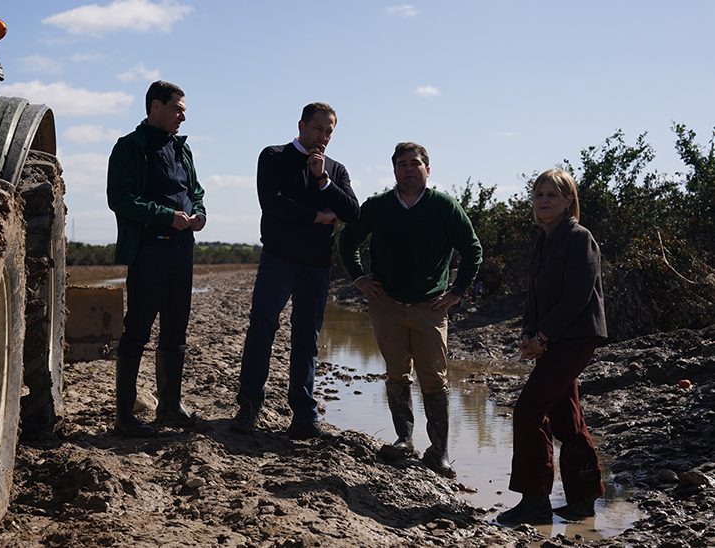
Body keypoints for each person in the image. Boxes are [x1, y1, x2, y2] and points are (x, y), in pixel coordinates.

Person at [338, 142, 482, 478]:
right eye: (401, 164)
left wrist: (457, 292)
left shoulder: (444, 206)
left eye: (415, 163)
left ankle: (439, 452)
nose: (408, 169)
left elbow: (472, 249)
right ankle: (404, 439)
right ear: (394, 171)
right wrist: (359, 278)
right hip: (386, 304)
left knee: (434, 377)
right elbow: (347, 240)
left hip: (430, 306)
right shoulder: (378, 206)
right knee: (396, 373)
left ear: (427, 169)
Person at [230, 102, 359, 439]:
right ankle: (249, 405)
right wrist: (317, 216)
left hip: (317, 265)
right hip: (279, 259)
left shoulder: (335, 170)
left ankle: (303, 415)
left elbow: (352, 212)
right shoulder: (273, 156)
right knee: (262, 325)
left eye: (329, 132)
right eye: (318, 129)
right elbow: (272, 204)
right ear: (301, 126)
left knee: (306, 338)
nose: (323, 137)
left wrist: (323, 181)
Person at [496, 169, 607, 525]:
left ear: (568, 201)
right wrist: (529, 333)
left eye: (552, 195)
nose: (543, 201)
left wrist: (543, 338)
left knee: (528, 412)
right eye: (539, 195)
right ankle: (583, 500)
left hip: (575, 338)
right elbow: (535, 295)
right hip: (552, 340)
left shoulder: (579, 238)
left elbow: (577, 297)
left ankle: (535, 503)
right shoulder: (544, 239)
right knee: (566, 418)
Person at [106, 81, 206, 437]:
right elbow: (120, 199)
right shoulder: (129, 147)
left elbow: (194, 191)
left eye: (183, 110)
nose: (182, 116)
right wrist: (166, 216)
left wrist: (199, 213)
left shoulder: (182, 148)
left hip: (182, 250)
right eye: (177, 109)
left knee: (176, 331)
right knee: (137, 331)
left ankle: (169, 408)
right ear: (155, 106)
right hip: (149, 250)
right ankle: (125, 417)